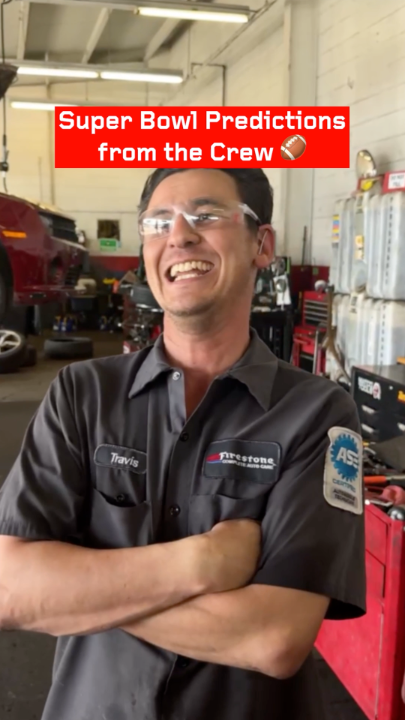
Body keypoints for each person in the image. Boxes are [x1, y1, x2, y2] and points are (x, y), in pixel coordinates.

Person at [0, 167, 366, 720]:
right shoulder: (81, 394)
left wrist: (78, 592)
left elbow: (272, 637)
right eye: (158, 222)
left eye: (206, 215)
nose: (179, 235)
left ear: (262, 245)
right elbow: (12, 590)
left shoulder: (317, 413)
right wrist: (200, 564)